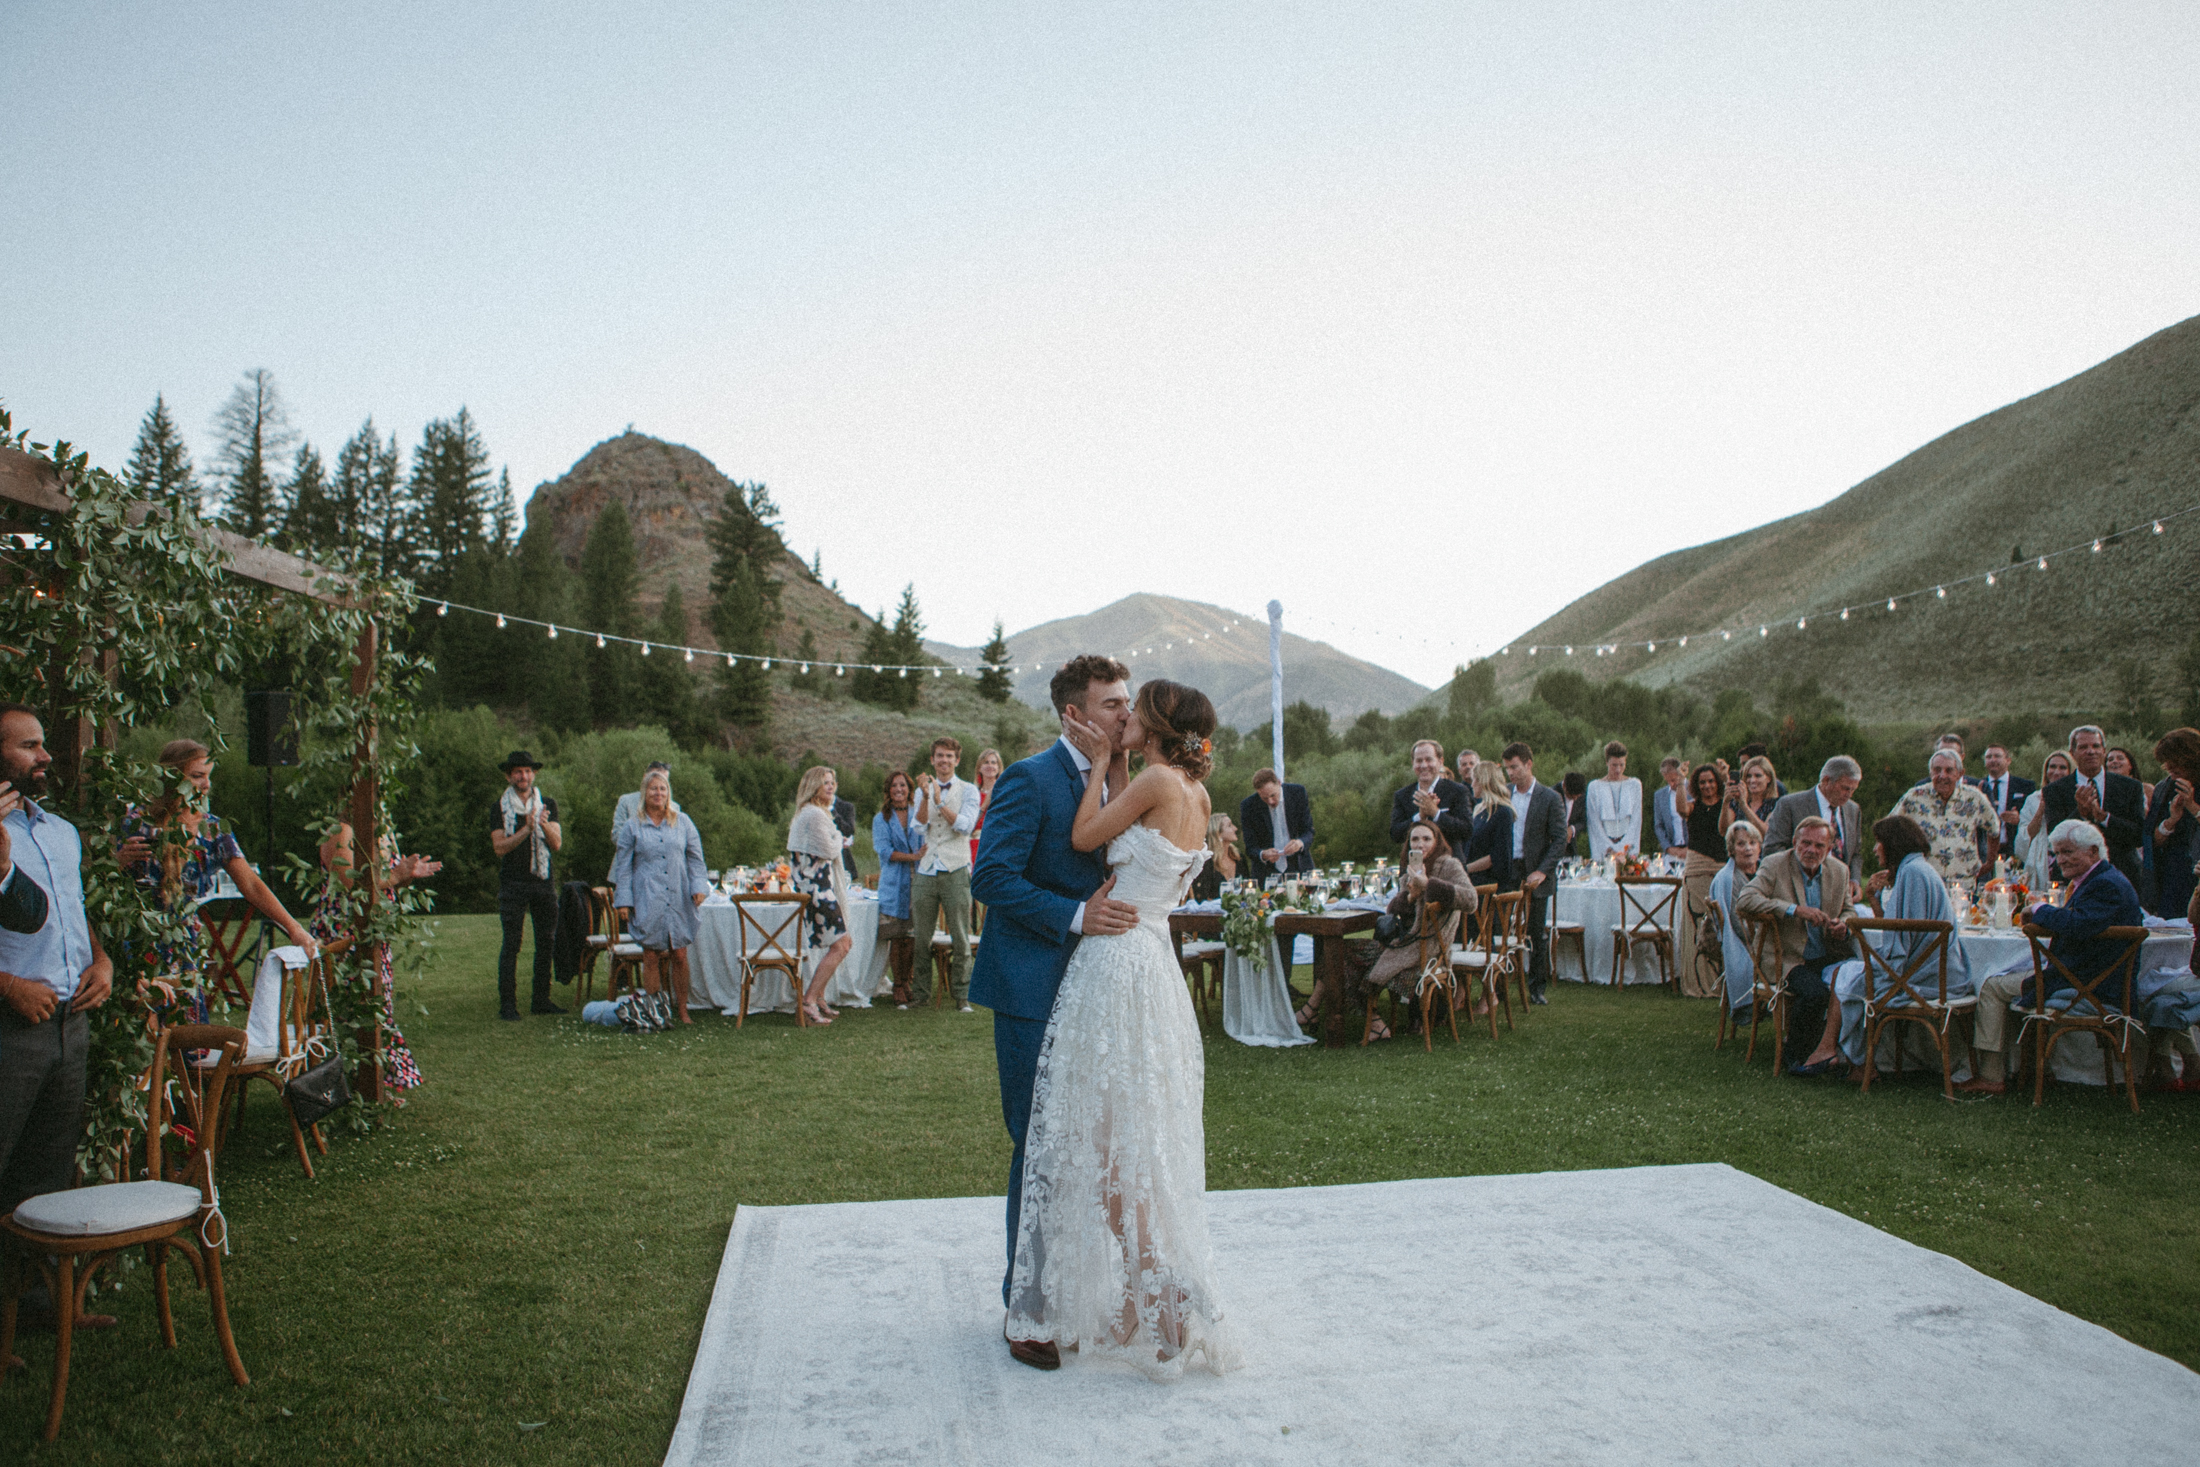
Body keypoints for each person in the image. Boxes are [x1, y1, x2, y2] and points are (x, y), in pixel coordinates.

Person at [1010, 676, 1237, 1379]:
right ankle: (1147, 1290)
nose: (1124, 715)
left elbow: (1086, 834)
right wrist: (1115, 765)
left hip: (1116, 964)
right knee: (1130, 1138)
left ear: (1158, 723)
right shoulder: (1193, 794)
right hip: (1154, 967)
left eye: (1134, 710)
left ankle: (1160, 1291)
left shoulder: (1154, 782)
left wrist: (1109, 762)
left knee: (1103, 1139)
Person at [970, 655, 1140, 1370]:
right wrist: (1075, 914)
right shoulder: (1029, 778)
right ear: (1073, 714)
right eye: (1111, 704)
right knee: (1037, 1143)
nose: (1125, 715)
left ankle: (1063, 1295)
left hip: (1092, 991)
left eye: (1127, 701)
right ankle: (1024, 1310)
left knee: (1085, 1148)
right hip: (1033, 987)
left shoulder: (1123, 780)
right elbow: (991, 875)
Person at [0, 707, 116, 1355]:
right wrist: (8, 985)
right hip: (10, 1028)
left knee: (43, 1175)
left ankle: (38, 1307)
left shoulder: (62, 832)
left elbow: (73, 913)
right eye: (29, 745)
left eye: (45, 743)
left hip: (71, 1027)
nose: (45, 756)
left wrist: (101, 960)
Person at [117, 738, 319, 1018]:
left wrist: (294, 928)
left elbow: (250, 884)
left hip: (184, 948)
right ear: (173, 777)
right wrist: (118, 862)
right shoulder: (138, 821)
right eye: (197, 776)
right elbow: (108, 886)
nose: (206, 784)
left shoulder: (213, 829)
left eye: (208, 776)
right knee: (143, 1044)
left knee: (189, 1044)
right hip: (138, 946)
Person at [1959, 819, 2145, 1096]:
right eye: (2057, 853)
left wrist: (2040, 909)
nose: (2061, 860)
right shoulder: (2103, 879)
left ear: (2093, 851)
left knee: (1992, 985)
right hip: (2087, 975)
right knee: (2009, 978)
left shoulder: (2105, 885)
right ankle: (2030, 1067)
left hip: (2091, 987)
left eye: (2068, 852)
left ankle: (1992, 1075)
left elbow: (2078, 924)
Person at [1296, 820, 1476, 1038]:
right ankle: (1368, 1021)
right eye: (1415, 839)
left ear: (1437, 842)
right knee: (1338, 952)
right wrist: (1411, 896)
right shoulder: (1410, 869)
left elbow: (1471, 899)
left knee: (1346, 960)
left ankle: (1317, 1012)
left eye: (1427, 839)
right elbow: (1393, 910)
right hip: (1404, 944)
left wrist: (1428, 885)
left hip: (1429, 952)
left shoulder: (1449, 865)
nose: (1420, 844)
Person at [1826, 815, 1974, 1071]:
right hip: (1934, 971)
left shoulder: (1912, 873)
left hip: (1925, 979)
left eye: (1878, 842)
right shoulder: (1917, 868)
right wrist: (1873, 898)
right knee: (1850, 971)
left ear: (1892, 843)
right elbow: (1903, 929)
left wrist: (1880, 967)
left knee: (1843, 972)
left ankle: (1851, 1059)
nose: (1874, 849)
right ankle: (1841, 1054)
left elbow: (1900, 942)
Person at [314, 820, 440, 1096]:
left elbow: (387, 881)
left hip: (373, 933)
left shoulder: (381, 831)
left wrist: (407, 875)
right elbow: (352, 884)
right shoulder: (343, 831)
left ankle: (373, 1081)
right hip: (344, 932)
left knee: (377, 1004)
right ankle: (351, 1084)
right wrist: (394, 877)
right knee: (353, 1007)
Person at [1735, 816, 1855, 1072]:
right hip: (1784, 958)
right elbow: (1745, 900)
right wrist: (1793, 910)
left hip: (1825, 953)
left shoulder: (1839, 871)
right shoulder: (1775, 864)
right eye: (1806, 843)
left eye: (1819, 846)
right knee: (1815, 993)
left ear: (1829, 849)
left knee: (1858, 980)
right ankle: (1795, 1057)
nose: (1811, 850)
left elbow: (1848, 910)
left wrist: (1843, 925)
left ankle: (1844, 1055)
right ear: (1794, 842)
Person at [613, 767, 710, 1024]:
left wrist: (698, 887)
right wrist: (623, 901)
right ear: (645, 793)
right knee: (652, 954)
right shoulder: (632, 827)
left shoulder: (683, 822)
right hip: (647, 895)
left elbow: (695, 859)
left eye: (663, 788)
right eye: (654, 788)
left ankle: (682, 1009)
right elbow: (622, 866)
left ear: (669, 793)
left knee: (679, 953)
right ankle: (657, 1011)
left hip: (677, 894)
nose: (658, 793)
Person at [489, 750, 563, 1021]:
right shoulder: (499, 807)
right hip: (513, 882)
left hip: (543, 880)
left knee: (546, 941)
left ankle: (541, 999)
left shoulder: (547, 804)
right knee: (512, 944)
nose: (524, 776)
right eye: (518, 771)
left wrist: (541, 826)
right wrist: (526, 829)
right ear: (509, 776)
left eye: (528, 771)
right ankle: (508, 1004)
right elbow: (499, 847)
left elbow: (556, 844)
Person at [911, 737, 980, 1010]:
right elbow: (918, 827)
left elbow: (964, 826)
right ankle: (920, 995)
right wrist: (928, 798)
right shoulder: (922, 790)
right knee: (921, 937)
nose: (944, 760)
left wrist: (941, 804)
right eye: (939, 756)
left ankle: (962, 996)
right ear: (932, 760)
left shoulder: (969, 790)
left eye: (949, 756)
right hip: (927, 868)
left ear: (957, 760)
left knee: (961, 936)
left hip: (956, 867)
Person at [786, 767, 857, 1025]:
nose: (831, 787)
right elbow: (829, 848)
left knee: (841, 944)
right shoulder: (815, 814)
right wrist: (839, 836)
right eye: (824, 783)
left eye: (832, 782)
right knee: (842, 945)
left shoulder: (811, 813)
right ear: (813, 786)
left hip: (816, 887)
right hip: (817, 890)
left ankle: (819, 996)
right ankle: (809, 1000)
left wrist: (836, 836)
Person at [1502, 742, 1568, 1005]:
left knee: (1536, 932)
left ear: (1529, 764)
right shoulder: (1504, 793)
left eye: (1515, 767)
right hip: (1508, 868)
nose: (1511, 773)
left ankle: (1536, 988)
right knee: (1501, 928)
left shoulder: (1550, 797)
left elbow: (1560, 839)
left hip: (1536, 871)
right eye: (1507, 768)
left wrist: (1542, 871)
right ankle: (1500, 985)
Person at [2041, 725, 2147, 890]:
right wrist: (2080, 814)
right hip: (2073, 880)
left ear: (2104, 750)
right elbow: (2054, 836)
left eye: (2095, 746)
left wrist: (2104, 818)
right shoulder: (2055, 790)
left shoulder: (2130, 787)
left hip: (2123, 875)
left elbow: (2139, 835)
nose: (2091, 751)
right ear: (2072, 752)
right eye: (2083, 747)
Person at [1891, 748, 1999, 882]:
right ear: (1930, 772)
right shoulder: (1914, 797)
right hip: (1925, 880)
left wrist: (1989, 862)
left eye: (1949, 770)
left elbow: (1994, 829)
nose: (1942, 775)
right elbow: (1888, 828)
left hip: (1963, 882)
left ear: (1960, 774)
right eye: (1937, 770)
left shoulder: (1974, 798)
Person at [1762, 755, 1864, 887]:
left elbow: (1855, 852)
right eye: (1845, 788)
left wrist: (1854, 880)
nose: (1849, 795)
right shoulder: (1791, 805)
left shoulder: (1853, 809)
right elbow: (1772, 849)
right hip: (1799, 887)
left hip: (1839, 890)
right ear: (1826, 781)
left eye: (1853, 789)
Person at [872, 770, 924, 1005]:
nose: (898, 789)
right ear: (888, 790)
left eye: (902, 785)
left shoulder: (917, 814)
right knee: (897, 935)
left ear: (909, 789)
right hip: (894, 881)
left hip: (918, 879)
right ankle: (898, 984)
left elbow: (925, 842)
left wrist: (919, 858)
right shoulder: (881, 818)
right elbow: (884, 851)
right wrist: (912, 857)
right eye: (894, 786)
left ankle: (908, 979)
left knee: (911, 935)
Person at [1676, 763, 1728, 998]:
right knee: (1696, 925)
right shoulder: (1693, 807)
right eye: (1702, 782)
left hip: (1720, 870)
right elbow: (1680, 808)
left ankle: (1722, 981)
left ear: (1717, 782)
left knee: (1720, 925)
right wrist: (1680, 781)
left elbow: (1726, 829)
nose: (1707, 786)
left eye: (1711, 781)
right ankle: (1697, 983)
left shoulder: (1727, 806)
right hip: (1696, 871)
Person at [1707, 821, 1764, 1027]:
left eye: (1752, 842)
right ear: (1731, 849)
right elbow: (1738, 925)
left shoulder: (1762, 873)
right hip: (1750, 947)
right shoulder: (1728, 880)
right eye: (1741, 844)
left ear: (1760, 845)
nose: (1748, 848)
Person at [2145, 728, 2200, 921]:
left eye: (2176, 762)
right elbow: (2152, 841)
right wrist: (2171, 821)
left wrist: (2193, 807)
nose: (2170, 767)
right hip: (2171, 873)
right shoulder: (2163, 788)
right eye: (2167, 763)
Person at [1387, 739, 1474, 850]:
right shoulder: (1402, 795)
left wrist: (1436, 813)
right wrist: (1419, 817)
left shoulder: (1457, 791)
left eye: (1429, 760)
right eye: (1419, 761)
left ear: (1440, 762)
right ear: (1413, 763)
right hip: (1415, 863)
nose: (1424, 765)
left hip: (1449, 863)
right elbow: (1395, 835)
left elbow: (1467, 831)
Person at [1238, 769, 1313, 882]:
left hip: (1299, 866)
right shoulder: (1249, 806)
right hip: (1267, 873)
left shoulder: (1297, 793)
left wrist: (1299, 843)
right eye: (1264, 798)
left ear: (1279, 783)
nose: (1270, 801)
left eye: (1273, 795)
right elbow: (1250, 847)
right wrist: (1263, 854)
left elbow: (1309, 831)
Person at [606, 761, 678, 878]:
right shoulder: (626, 801)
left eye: (664, 780)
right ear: (645, 778)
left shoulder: (675, 808)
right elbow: (616, 835)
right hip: (627, 870)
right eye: (655, 777)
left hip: (661, 874)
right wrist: (645, 845)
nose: (659, 784)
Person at [2017, 750, 2074, 890]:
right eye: (2052, 767)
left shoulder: (2076, 797)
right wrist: (2041, 810)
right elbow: (2025, 836)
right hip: (2042, 856)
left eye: (2062, 767)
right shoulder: (2033, 799)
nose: (2057, 771)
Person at [1970, 744, 2034, 865]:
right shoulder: (1976, 787)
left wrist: (2020, 818)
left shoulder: (2025, 786)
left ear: (2008, 760)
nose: (1993, 760)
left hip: (2014, 850)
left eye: (1997, 756)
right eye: (1989, 757)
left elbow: (2034, 816)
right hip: (1985, 851)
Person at [1583, 741, 1642, 860]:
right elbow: (1594, 822)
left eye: (1622, 764)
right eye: (1614, 765)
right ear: (1607, 762)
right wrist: (1609, 848)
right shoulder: (1595, 787)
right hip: (1604, 847)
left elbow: (1636, 820)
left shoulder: (1634, 785)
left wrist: (1623, 847)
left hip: (1627, 846)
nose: (1618, 770)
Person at [1464, 761, 1517, 890]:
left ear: (1483, 781)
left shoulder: (1502, 812)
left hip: (1488, 885)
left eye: (1474, 779)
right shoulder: (1479, 809)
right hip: (1471, 881)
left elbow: (1498, 855)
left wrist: (1465, 869)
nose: (1472, 784)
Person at [1722, 755, 1779, 840]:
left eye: (1758, 776)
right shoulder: (1736, 802)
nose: (1752, 780)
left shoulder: (1776, 804)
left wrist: (1745, 807)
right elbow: (1724, 831)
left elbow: (1767, 834)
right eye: (1748, 776)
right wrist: (1725, 802)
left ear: (1768, 778)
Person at [1189, 812, 1239, 903]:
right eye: (1229, 826)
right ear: (1217, 833)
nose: (1235, 828)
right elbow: (1200, 897)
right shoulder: (1207, 862)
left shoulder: (1238, 859)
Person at [969, 748, 1004, 862]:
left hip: (995, 847)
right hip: (972, 847)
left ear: (998, 768)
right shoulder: (971, 793)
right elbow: (968, 826)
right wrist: (983, 805)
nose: (990, 766)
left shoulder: (1005, 794)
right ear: (979, 767)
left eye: (994, 762)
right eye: (986, 762)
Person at [1651, 756, 1689, 859]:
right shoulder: (1660, 796)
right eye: (1668, 781)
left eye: (1673, 780)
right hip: (1672, 850)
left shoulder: (1693, 790)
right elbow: (1658, 825)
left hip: (1692, 849)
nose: (1671, 784)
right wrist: (1668, 848)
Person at [1560, 771, 1588, 857]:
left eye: (1577, 797)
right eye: (1571, 796)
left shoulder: (1583, 797)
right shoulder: (1552, 794)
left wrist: (1572, 829)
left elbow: (1584, 821)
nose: (1575, 799)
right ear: (1564, 786)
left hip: (1570, 849)